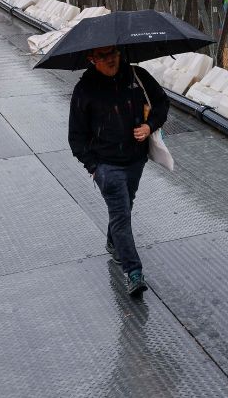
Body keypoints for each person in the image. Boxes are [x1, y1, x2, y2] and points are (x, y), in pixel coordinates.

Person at [67, 45, 168, 296]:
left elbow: (161, 103)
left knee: (126, 206)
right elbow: (75, 137)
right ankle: (133, 272)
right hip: (106, 165)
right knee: (121, 213)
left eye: (113, 53)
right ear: (92, 59)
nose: (111, 59)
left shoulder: (137, 77)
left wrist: (149, 125)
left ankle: (114, 241)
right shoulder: (84, 90)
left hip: (135, 159)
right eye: (103, 56)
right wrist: (93, 166)